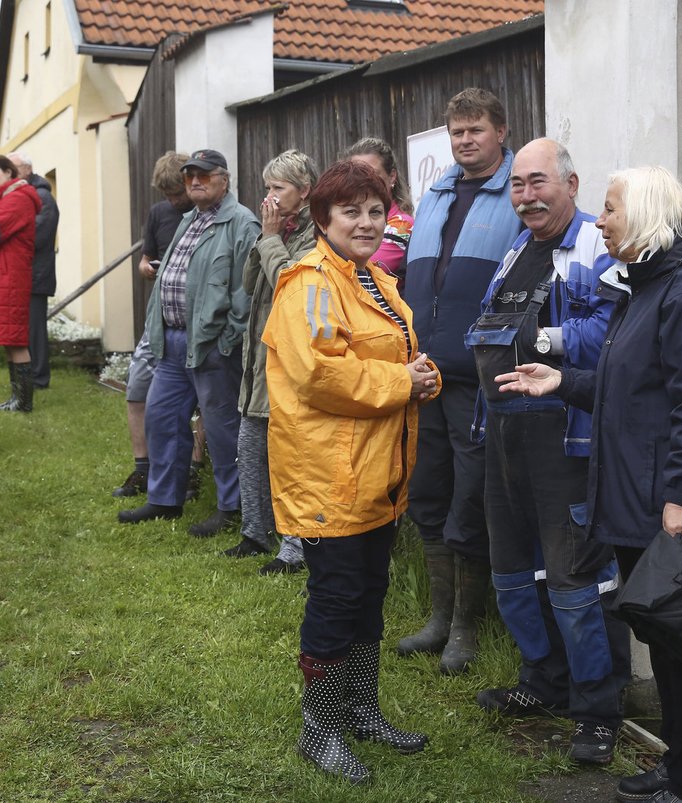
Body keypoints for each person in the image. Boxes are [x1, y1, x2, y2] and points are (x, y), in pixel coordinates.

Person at [496, 165, 682, 803]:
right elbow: (631, 388)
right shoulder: (649, 285)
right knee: (665, 641)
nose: (599, 222)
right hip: (643, 495)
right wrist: (563, 384)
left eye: (609, 210)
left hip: (669, 500)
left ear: (643, 215)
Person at [262, 159, 440, 783]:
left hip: (377, 475)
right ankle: (321, 729)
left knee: (369, 596)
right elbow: (318, 374)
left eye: (375, 211)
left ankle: (361, 710)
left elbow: (397, 352)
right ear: (321, 219)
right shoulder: (308, 282)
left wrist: (422, 377)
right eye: (351, 212)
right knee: (336, 600)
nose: (366, 223)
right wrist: (401, 381)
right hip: (330, 476)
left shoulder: (371, 280)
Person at [470, 138, 631, 764]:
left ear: (571, 182)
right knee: (512, 572)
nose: (527, 196)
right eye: (517, 185)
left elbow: (616, 329)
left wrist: (544, 337)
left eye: (538, 183)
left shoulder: (594, 242)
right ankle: (542, 682)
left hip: (566, 437)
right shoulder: (516, 249)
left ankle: (598, 709)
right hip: (504, 436)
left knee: (575, 581)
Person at [397, 88, 524, 674]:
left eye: (475, 129)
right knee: (427, 493)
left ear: (501, 131)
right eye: (456, 131)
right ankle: (438, 618)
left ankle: (468, 627)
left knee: (470, 502)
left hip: (477, 382)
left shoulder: (514, 195)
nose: (465, 140)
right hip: (423, 378)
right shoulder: (437, 193)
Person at [118, 149, 259, 538]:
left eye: (204, 175)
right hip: (173, 342)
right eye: (189, 176)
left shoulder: (241, 223)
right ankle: (165, 498)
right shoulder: (187, 220)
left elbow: (246, 292)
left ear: (224, 180)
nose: (195, 182)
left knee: (220, 427)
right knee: (161, 418)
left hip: (212, 346)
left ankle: (233, 507)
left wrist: (227, 339)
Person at [223, 149, 319, 571]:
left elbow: (289, 285)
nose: (270, 197)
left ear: (304, 191)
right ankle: (254, 532)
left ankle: (294, 548)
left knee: (288, 456)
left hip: (289, 361)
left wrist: (272, 238)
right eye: (267, 188)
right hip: (257, 358)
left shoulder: (316, 234)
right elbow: (249, 284)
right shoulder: (277, 228)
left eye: (278, 188)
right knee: (250, 446)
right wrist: (266, 236)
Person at [110, 151, 195, 499]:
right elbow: (146, 259)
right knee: (137, 389)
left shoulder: (203, 216)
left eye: (178, 193)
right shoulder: (159, 213)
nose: (174, 201)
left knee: (197, 404)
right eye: (168, 195)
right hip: (158, 321)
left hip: (193, 324)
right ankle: (143, 468)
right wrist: (146, 268)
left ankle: (192, 472)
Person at [0, 154, 42, 413]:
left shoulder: (18, 199)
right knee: (10, 338)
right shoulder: (7, 198)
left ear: (9, 172)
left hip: (11, 277)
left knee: (16, 339)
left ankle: (24, 402)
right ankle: (17, 398)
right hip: (5, 276)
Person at [6, 152, 59, 390]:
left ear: (27, 170)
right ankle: (27, 377)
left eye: (12, 168)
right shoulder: (21, 195)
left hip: (36, 276)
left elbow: (38, 236)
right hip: (21, 275)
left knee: (34, 330)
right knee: (21, 330)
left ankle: (39, 379)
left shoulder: (42, 197)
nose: (9, 173)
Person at [340, 137, 414, 287]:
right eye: (356, 175)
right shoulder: (340, 217)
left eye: (372, 174)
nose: (363, 182)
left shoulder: (402, 224)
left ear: (392, 176)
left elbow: (360, 272)